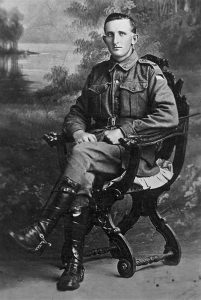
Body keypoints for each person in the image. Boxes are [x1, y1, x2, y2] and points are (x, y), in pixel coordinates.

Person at [9, 13, 178, 291]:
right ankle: (74, 266)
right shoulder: (98, 73)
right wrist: (77, 132)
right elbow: (77, 113)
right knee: (82, 175)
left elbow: (168, 118)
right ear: (104, 39)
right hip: (99, 155)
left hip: (134, 159)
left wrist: (125, 131)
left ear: (134, 38)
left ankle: (41, 229)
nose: (116, 40)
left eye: (122, 34)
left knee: (81, 155)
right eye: (110, 34)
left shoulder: (149, 73)